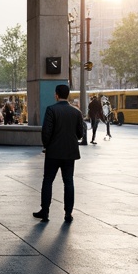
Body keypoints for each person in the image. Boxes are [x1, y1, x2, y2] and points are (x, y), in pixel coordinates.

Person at [33, 84, 85, 223]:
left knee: (48, 180)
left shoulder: (51, 110)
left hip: (53, 153)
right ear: (67, 95)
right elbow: (80, 133)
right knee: (68, 182)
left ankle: (45, 212)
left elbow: (46, 132)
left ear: (56, 94)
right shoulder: (76, 112)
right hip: (70, 153)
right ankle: (68, 213)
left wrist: (47, 145)